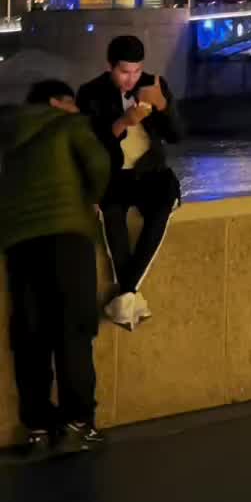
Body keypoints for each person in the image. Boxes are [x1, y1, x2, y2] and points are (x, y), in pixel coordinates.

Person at [0, 79, 111, 456]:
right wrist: (90, 199)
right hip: (67, 239)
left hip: (19, 243)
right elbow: (100, 168)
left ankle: (36, 427)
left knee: (30, 336)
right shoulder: (70, 126)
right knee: (72, 332)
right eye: (72, 102)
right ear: (56, 103)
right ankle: (78, 423)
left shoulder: (9, 133)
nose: (78, 109)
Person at [77, 35, 182, 330]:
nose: (131, 78)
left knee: (162, 207)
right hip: (113, 176)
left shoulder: (153, 85)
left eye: (136, 71)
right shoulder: (91, 93)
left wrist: (162, 106)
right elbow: (90, 144)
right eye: (124, 71)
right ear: (110, 67)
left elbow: (176, 136)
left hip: (150, 174)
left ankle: (125, 295)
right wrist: (123, 122)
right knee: (112, 217)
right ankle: (129, 297)